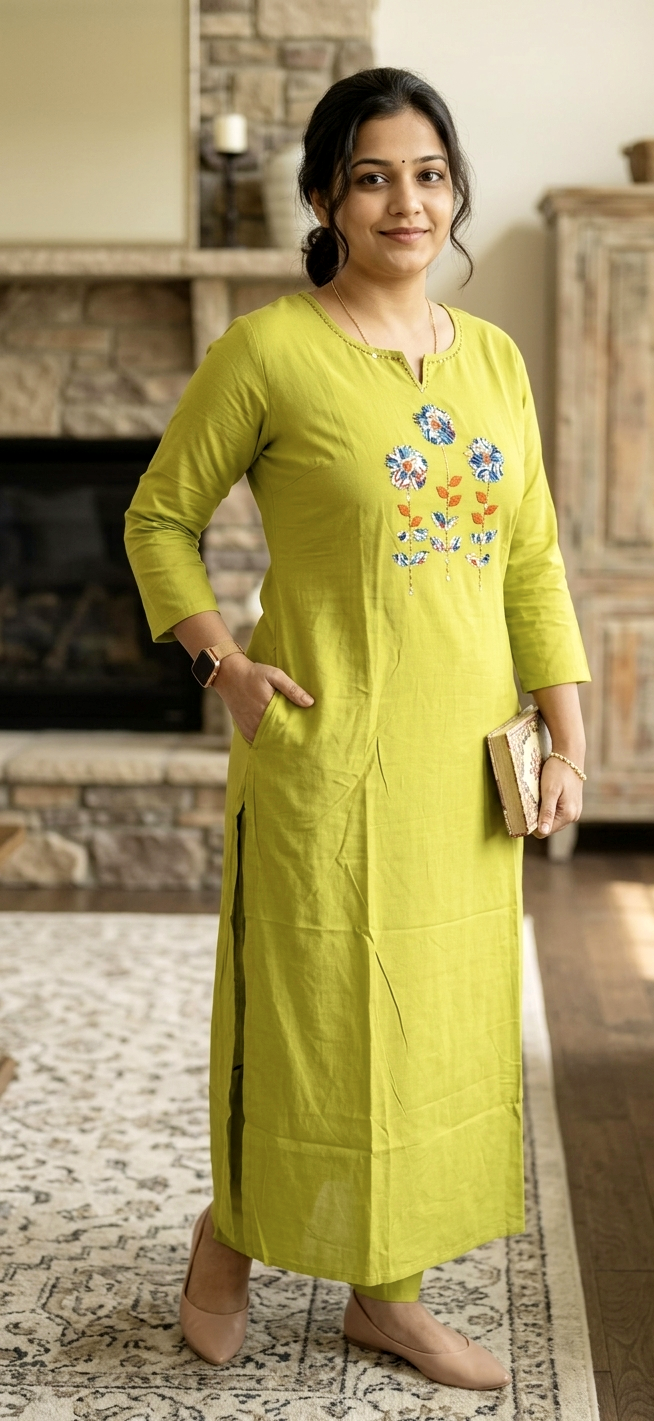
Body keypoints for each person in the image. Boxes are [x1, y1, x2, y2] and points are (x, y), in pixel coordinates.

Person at [125, 67, 590, 1391]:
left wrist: (565, 740)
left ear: (455, 193)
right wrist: (222, 666)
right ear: (325, 197)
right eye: (373, 176)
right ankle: (232, 1236)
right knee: (308, 1022)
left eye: (429, 175)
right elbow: (158, 518)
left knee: (432, 1035)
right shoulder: (269, 352)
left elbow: (531, 561)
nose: (406, 202)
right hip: (325, 759)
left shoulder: (491, 360)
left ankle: (389, 1297)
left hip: (464, 769)